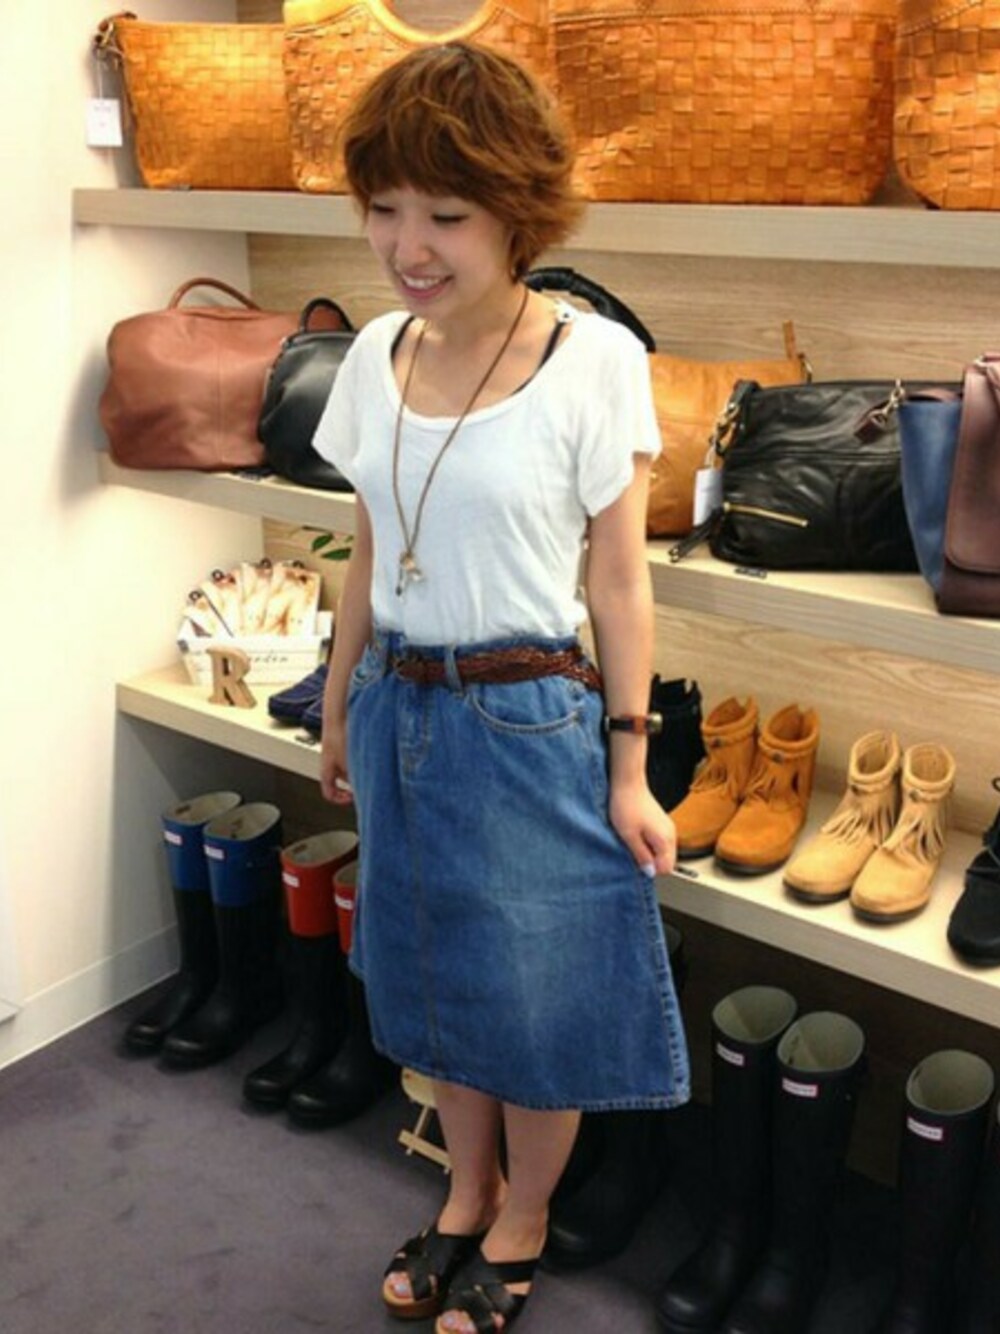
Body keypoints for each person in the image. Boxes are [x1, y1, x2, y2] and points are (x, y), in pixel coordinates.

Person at [312, 42, 690, 1334]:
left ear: (518, 212)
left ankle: (525, 1213)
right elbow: (369, 546)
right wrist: (339, 701)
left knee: (538, 989)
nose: (407, 246)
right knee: (435, 975)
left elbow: (622, 583)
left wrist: (630, 767)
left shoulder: (595, 360)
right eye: (385, 208)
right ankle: (464, 1191)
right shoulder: (373, 352)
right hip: (398, 704)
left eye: (446, 215)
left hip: (528, 716)